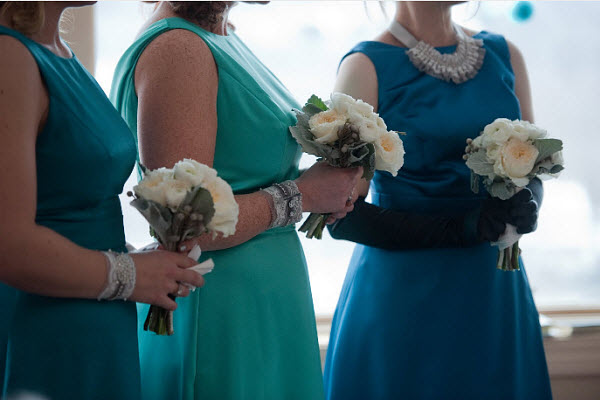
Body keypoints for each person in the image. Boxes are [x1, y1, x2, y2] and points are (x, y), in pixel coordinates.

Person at [110, 2, 360, 399]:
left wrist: (320, 185)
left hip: (267, 297)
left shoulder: (222, 35)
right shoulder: (180, 48)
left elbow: (241, 173)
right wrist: (302, 194)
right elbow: (187, 226)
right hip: (223, 306)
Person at [323, 2, 552, 399]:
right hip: (406, 296)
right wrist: (460, 228)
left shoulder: (505, 54)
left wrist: (527, 202)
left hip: (492, 287)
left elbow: (532, 163)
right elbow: (341, 215)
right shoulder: (366, 66)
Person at [0, 2, 204, 399]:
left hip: (96, 318)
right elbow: (9, 244)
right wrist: (130, 274)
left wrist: (137, 258)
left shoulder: (57, 51)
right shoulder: (10, 57)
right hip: (47, 326)